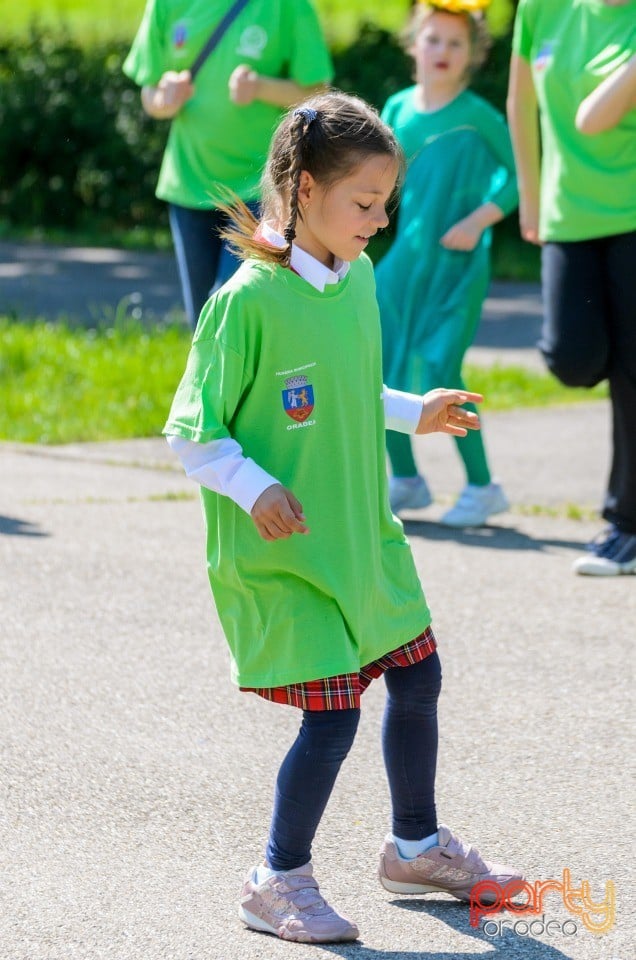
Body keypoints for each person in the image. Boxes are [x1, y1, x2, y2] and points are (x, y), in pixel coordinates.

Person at [164, 91, 523, 943]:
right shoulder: (246, 303)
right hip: (287, 556)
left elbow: (350, 388)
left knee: (419, 673)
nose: (380, 219)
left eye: (386, 202)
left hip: (365, 538)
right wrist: (255, 487)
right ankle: (275, 879)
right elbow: (190, 431)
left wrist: (412, 411)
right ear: (303, 187)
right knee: (332, 714)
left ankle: (415, 847)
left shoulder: (355, 278)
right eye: (364, 203)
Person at [375, 0, 518, 527]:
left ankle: (483, 488)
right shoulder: (395, 109)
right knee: (382, 372)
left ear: (473, 55)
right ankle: (407, 481)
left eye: (455, 43)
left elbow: (521, 176)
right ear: (414, 43)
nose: (442, 51)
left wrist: (479, 219)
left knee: (440, 369)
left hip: (456, 268)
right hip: (402, 266)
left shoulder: (479, 116)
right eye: (433, 39)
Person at [507, 0, 636, 576]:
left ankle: (626, 524)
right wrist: (530, 197)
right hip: (567, 215)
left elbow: (594, 118)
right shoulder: (542, 8)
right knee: (572, 357)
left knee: (633, 371)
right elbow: (521, 101)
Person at [123, 0, 332, 328]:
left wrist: (260, 87)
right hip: (189, 183)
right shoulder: (163, 5)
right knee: (203, 318)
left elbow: (318, 92)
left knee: (230, 307)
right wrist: (164, 99)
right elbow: (150, 95)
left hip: (261, 189)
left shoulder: (289, 6)